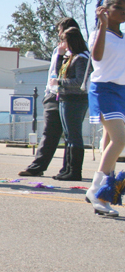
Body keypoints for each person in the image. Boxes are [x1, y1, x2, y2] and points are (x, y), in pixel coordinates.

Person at [18, 18, 82, 178]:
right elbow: (53, 73)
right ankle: (38, 167)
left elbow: (60, 74)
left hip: (70, 96)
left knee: (69, 134)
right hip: (54, 94)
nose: (59, 34)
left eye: (60, 31)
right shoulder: (58, 50)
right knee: (50, 132)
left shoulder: (78, 53)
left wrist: (60, 57)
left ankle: (69, 170)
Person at [85, 0, 125, 217]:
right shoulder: (99, 34)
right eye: (117, 8)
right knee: (120, 139)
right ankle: (97, 191)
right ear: (105, 10)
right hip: (103, 89)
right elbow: (97, 57)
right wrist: (102, 25)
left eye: (124, 9)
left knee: (111, 141)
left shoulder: (123, 37)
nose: (122, 12)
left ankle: (102, 194)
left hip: (122, 91)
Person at [49, 27, 89, 181]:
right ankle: (67, 169)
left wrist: (58, 82)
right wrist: (59, 56)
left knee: (74, 136)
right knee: (68, 136)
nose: (62, 43)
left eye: (64, 40)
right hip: (65, 97)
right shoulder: (69, 57)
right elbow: (58, 71)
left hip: (76, 100)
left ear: (71, 40)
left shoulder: (80, 59)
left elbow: (79, 81)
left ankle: (75, 171)